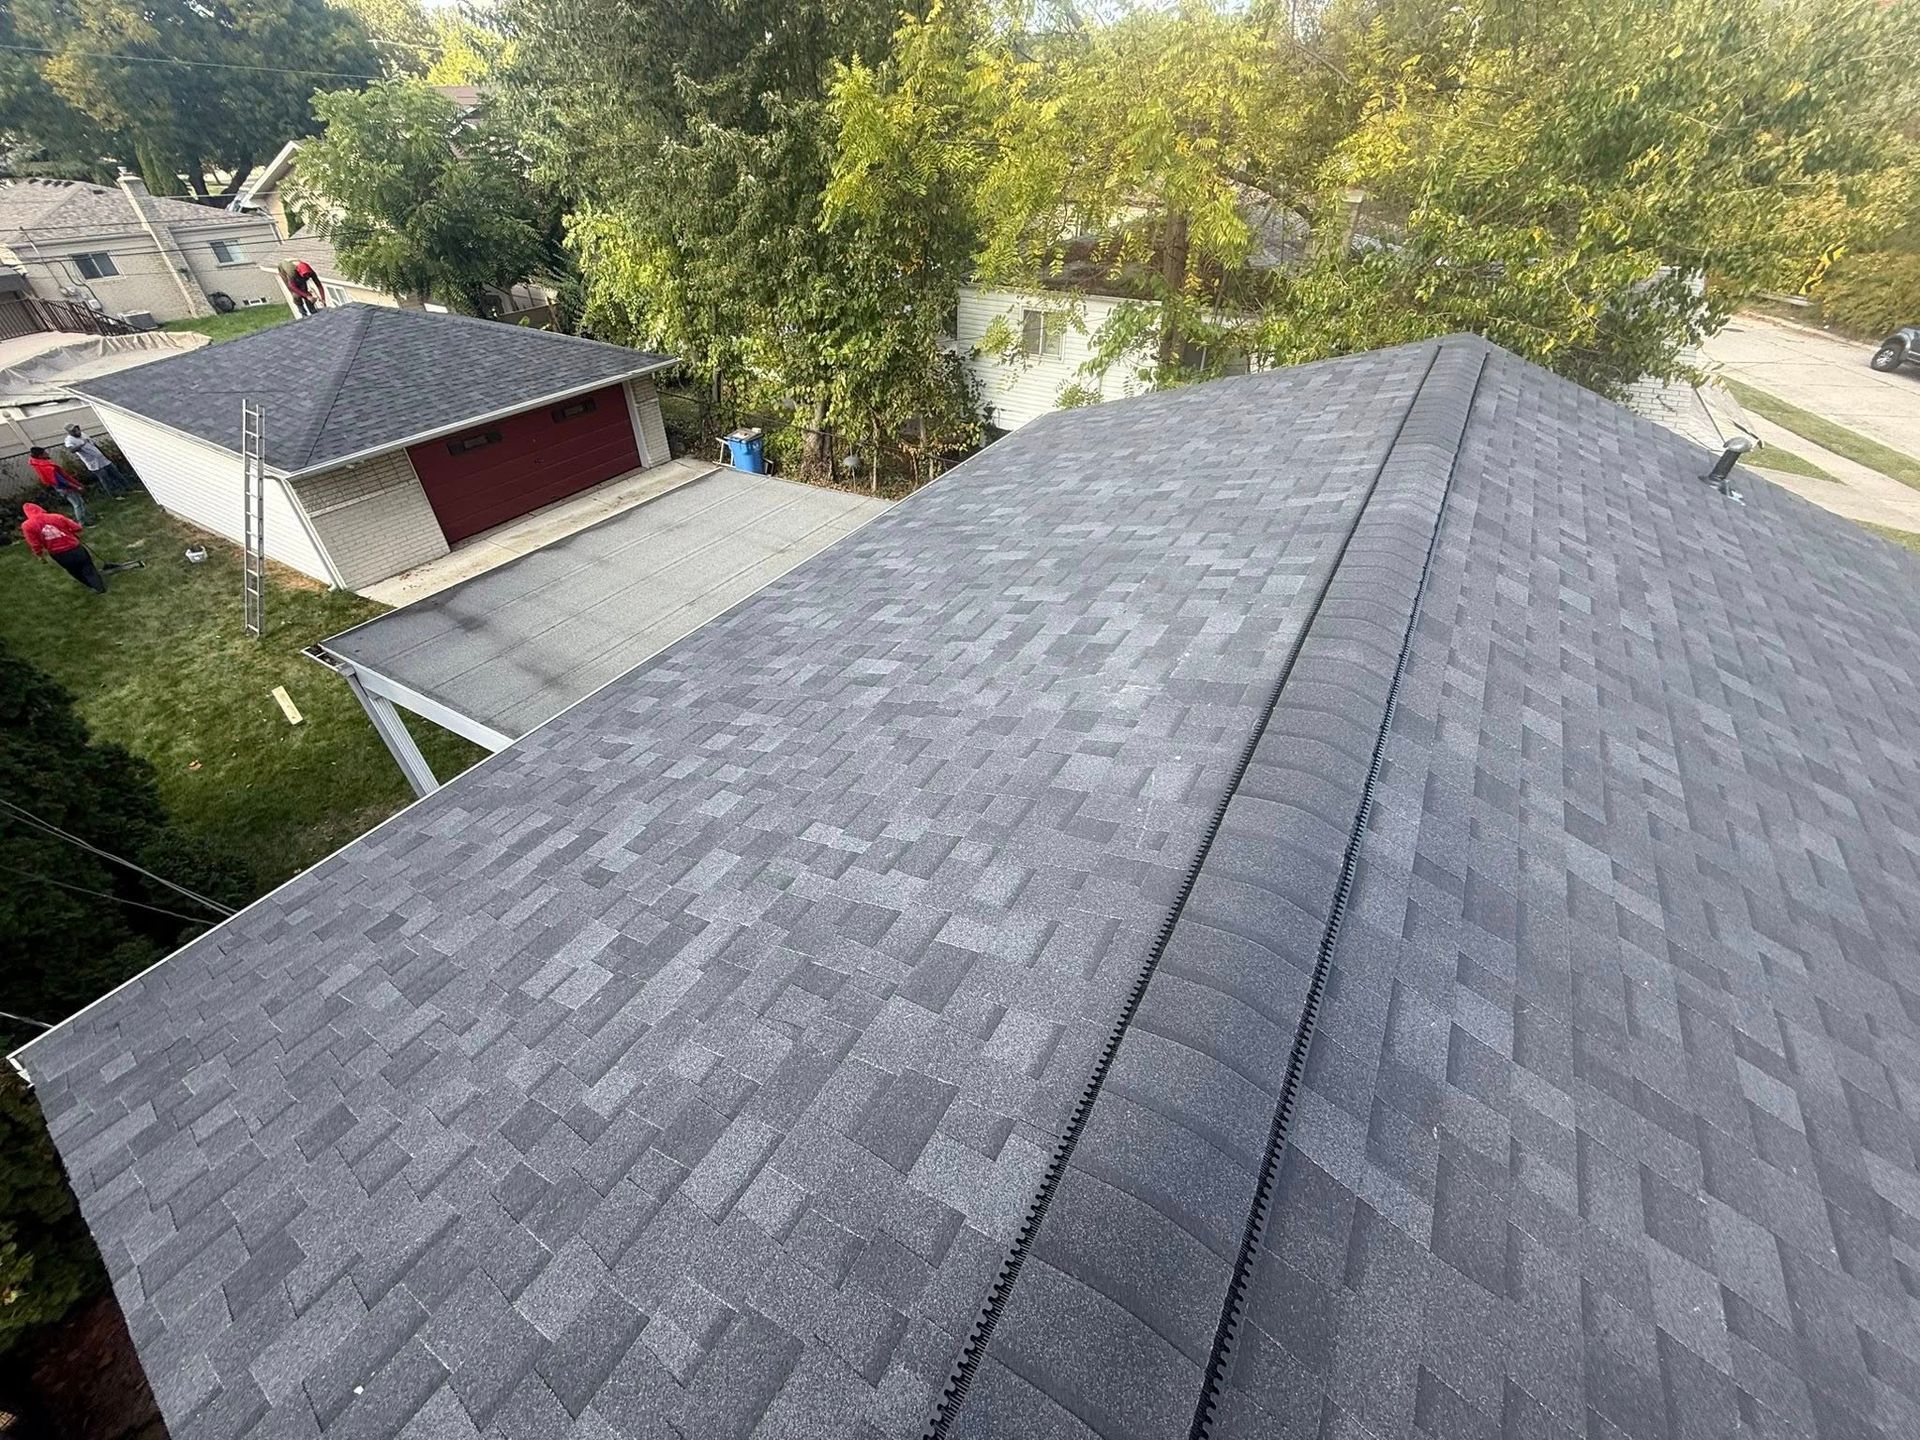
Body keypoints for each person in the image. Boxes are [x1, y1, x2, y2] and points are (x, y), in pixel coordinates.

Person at [19, 502, 107, 592]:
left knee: (73, 570)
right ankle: (99, 585)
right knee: (87, 566)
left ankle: (90, 584)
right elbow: (77, 528)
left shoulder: (27, 526)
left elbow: (34, 543)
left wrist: (39, 555)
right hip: (74, 547)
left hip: (58, 554)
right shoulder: (56, 516)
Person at [62, 424, 134, 498]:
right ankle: (115, 495)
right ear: (70, 432)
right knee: (105, 479)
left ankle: (129, 489)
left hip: (103, 459)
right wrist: (81, 444)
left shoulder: (83, 434)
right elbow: (72, 450)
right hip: (94, 464)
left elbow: (95, 445)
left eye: (77, 429)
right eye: (74, 431)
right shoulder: (69, 440)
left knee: (116, 474)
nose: (77, 431)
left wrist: (105, 455)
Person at [28, 446, 87, 523]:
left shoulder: (39, 465)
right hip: (65, 488)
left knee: (79, 502)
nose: (47, 453)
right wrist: (76, 486)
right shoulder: (47, 467)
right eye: (45, 453)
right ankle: (82, 522)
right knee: (77, 504)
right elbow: (61, 481)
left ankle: (86, 517)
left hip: (61, 487)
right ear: (40, 456)